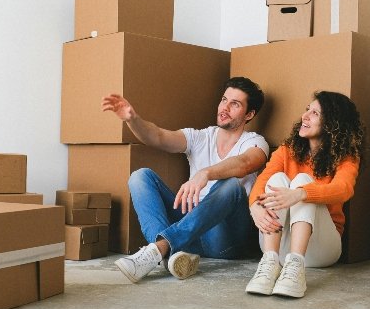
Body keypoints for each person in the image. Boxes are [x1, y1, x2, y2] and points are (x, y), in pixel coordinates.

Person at [101, 77, 269, 283]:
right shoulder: (201, 137)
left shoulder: (255, 142)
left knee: (231, 185)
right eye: (224, 100)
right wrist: (132, 119)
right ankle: (171, 254)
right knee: (140, 177)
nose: (225, 107)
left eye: (235, 104)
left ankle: (160, 248)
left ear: (249, 114)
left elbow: (244, 163)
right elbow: (158, 137)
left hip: (226, 239)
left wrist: (205, 173)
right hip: (189, 232)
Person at [245, 91, 364, 298]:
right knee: (276, 180)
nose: (305, 116)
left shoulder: (347, 157)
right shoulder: (287, 150)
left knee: (302, 182)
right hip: (279, 246)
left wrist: (300, 194)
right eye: (307, 109)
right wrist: (254, 206)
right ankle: (269, 264)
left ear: (331, 124)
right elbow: (262, 182)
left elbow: (344, 189)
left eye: (315, 113)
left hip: (321, 250)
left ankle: (295, 269)